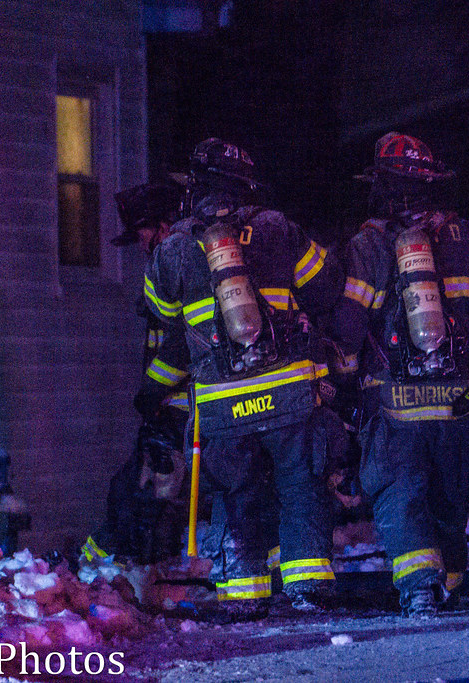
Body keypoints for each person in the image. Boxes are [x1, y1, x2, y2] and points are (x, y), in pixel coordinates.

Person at [144, 138, 343, 617]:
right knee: (300, 484)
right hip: (287, 395)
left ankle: (244, 592)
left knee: (236, 491)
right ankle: (307, 586)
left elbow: (161, 312)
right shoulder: (276, 228)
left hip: (221, 404)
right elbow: (326, 286)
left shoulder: (174, 249)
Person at [330, 132, 469, 618]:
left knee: (400, 494)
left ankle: (419, 589)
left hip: (395, 404)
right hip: (462, 401)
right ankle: (449, 584)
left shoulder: (370, 244)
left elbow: (349, 325)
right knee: (449, 499)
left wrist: (344, 384)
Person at [82, 183, 192, 565]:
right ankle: (103, 563)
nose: (141, 245)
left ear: (162, 226)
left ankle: (116, 567)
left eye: (142, 234)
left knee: (142, 490)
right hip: (170, 406)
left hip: (185, 407)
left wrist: (152, 390)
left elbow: (183, 339)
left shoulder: (179, 263)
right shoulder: (171, 263)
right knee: (134, 488)